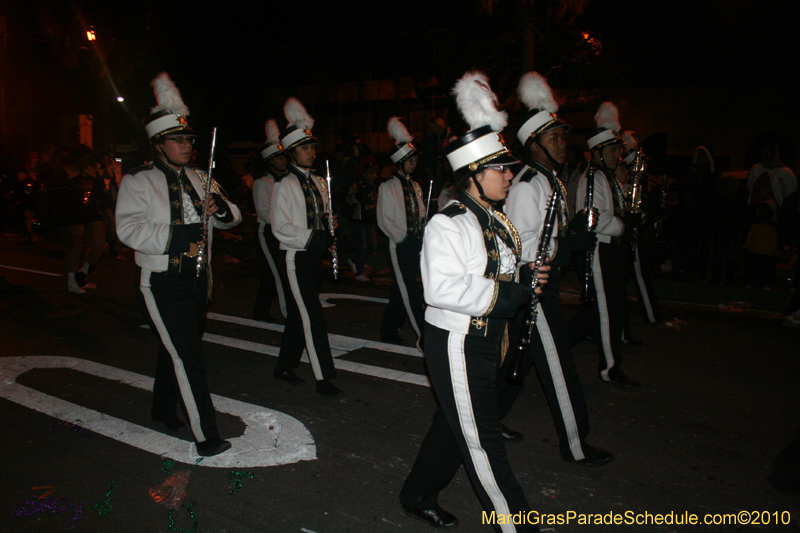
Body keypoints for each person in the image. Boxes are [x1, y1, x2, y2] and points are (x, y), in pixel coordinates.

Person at [400, 72, 547, 532]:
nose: (510, 175)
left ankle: (417, 493)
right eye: (501, 169)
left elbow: (498, 270)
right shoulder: (449, 223)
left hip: (487, 339)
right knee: (483, 442)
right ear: (475, 175)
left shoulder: (495, 219)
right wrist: (513, 293)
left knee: (454, 424)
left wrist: (526, 276)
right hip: (458, 343)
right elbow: (441, 290)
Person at [116, 72, 242, 457]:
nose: (186, 146)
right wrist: (177, 235)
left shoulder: (202, 177)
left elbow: (233, 216)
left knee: (174, 348)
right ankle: (207, 437)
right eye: (178, 140)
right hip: (160, 280)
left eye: (189, 140)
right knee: (188, 356)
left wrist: (222, 209)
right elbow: (127, 229)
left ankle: (161, 408)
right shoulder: (138, 180)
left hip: (199, 278)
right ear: (158, 144)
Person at [501, 72, 612, 466]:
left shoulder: (550, 180)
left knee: (523, 357)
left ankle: (487, 419)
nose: (563, 145)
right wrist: (567, 245)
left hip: (543, 282)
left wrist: (573, 231)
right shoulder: (528, 185)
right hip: (533, 285)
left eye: (563, 138)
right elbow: (521, 247)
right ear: (534, 144)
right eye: (553, 139)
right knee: (560, 366)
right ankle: (576, 445)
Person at [270, 97, 342, 397]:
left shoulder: (319, 182)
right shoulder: (283, 185)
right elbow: (281, 228)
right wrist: (316, 237)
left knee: (300, 315)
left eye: (312, 147)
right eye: (305, 148)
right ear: (291, 153)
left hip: (313, 256)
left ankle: (284, 365)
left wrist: (329, 224)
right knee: (312, 316)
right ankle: (324, 377)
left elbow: (320, 216)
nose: (312, 152)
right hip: (295, 257)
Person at [568, 102, 641, 388]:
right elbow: (596, 219)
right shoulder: (593, 178)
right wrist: (623, 225)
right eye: (612, 150)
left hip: (611, 249)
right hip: (599, 250)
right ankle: (609, 367)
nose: (617, 155)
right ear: (597, 152)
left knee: (600, 312)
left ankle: (554, 346)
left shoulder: (606, 178)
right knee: (609, 310)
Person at [377, 117, 426, 349]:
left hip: (414, 243)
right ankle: (423, 334)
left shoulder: (415, 186)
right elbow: (384, 220)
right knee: (410, 289)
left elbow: (421, 212)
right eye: (411, 160)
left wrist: (422, 228)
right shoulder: (387, 186)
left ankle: (388, 328)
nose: (415, 163)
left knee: (401, 288)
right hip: (397, 245)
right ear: (401, 162)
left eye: (416, 160)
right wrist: (404, 238)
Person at [52, 144, 106, 294]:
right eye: (82, 160)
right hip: (70, 213)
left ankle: (83, 274)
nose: (84, 163)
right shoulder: (64, 172)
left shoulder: (92, 171)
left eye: (87, 160)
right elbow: (56, 196)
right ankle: (71, 282)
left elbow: (100, 191)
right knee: (75, 246)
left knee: (99, 245)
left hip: (90, 211)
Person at [252, 119, 288, 322]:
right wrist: (285, 218)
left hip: (284, 232)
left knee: (274, 273)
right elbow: (264, 213)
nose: (283, 160)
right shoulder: (262, 182)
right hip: (268, 232)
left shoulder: (287, 180)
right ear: (270, 160)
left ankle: (261, 311)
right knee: (276, 273)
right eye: (279, 157)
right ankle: (283, 312)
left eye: (284, 156)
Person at [345, 156, 379, 281]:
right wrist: (356, 198)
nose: (373, 175)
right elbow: (348, 200)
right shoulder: (357, 185)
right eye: (370, 172)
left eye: (374, 172)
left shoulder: (374, 186)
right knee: (362, 246)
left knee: (372, 246)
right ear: (363, 173)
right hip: (359, 220)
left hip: (370, 219)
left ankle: (355, 260)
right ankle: (359, 271)